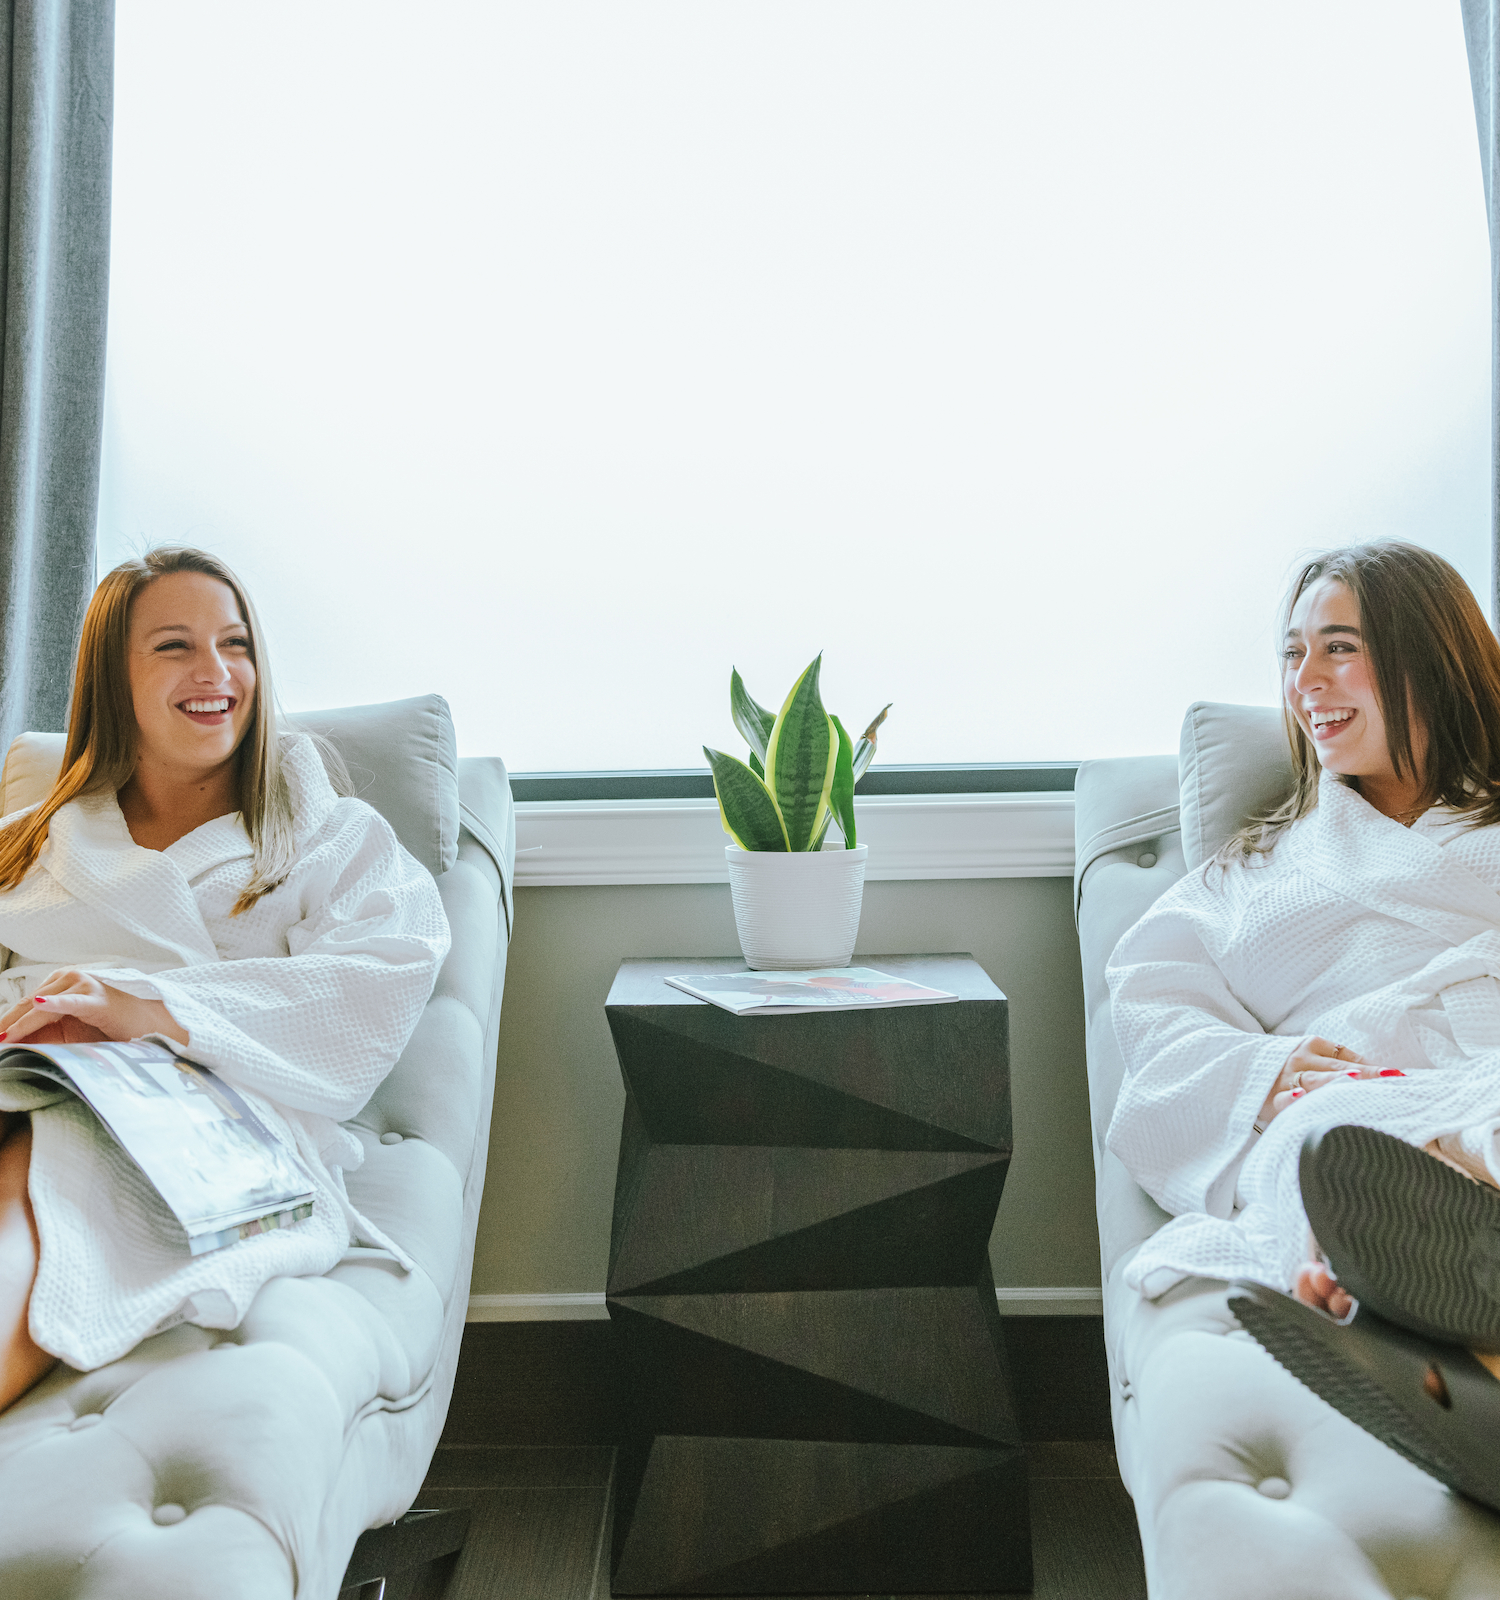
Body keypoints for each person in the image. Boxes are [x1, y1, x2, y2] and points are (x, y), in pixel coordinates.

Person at [0, 546, 449, 1410]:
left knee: (31, 1191)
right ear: (112, 679)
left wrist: (146, 1010)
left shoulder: (332, 840)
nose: (216, 672)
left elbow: (372, 986)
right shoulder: (33, 841)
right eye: (174, 646)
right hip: (24, 1072)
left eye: (235, 643)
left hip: (192, 1116)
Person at [1101, 540, 1500, 1502]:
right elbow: (1154, 1004)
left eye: (1340, 649)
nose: (1307, 684)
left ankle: (1429, 1323)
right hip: (1370, 1109)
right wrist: (1265, 1072)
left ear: (1430, 659)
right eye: (1293, 656)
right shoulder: (1254, 877)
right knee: (1319, 1148)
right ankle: (1414, 1267)